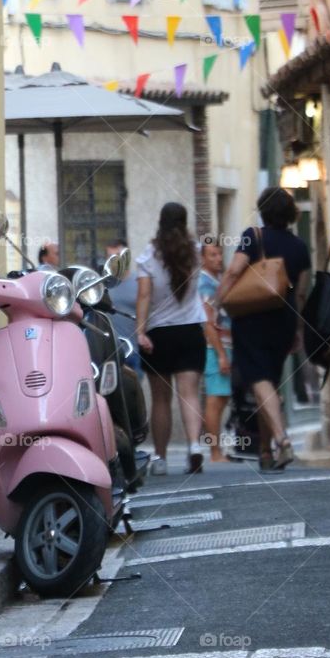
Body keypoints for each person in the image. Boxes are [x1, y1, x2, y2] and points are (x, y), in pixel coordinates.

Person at [214, 187, 311, 472]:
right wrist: (298, 329)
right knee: (269, 382)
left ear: (263, 210)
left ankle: (281, 439)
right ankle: (266, 453)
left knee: (258, 380)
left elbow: (234, 271)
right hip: (284, 320)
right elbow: (302, 292)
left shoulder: (252, 236)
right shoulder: (299, 246)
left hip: (252, 318)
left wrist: (218, 302)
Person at [136, 202, 207, 475]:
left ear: (160, 221)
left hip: (159, 334)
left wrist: (141, 330)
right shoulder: (196, 253)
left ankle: (161, 458)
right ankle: (194, 447)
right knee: (189, 395)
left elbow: (143, 296)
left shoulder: (148, 256)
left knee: (161, 399)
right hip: (190, 330)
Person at [198, 239, 232, 462]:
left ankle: (216, 447)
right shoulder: (204, 284)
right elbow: (208, 323)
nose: (218, 259)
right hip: (215, 347)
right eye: (212, 255)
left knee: (221, 398)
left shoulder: (217, 280)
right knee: (215, 399)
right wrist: (220, 354)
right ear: (202, 258)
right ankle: (215, 451)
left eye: (219, 254)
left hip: (225, 345)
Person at [104, 239, 141, 372]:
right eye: (110, 257)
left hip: (136, 352)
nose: (114, 261)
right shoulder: (102, 285)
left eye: (118, 257)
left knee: (135, 391)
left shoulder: (140, 282)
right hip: (110, 354)